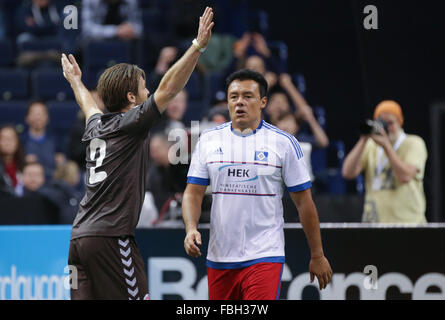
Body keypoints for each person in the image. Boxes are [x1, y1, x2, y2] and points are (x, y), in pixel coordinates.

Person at [62, 6, 214, 300]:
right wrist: (197, 46)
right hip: (110, 238)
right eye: (145, 88)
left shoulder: (96, 124)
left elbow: (88, 105)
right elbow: (169, 88)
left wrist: (75, 81)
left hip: (78, 239)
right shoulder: (131, 122)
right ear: (131, 98)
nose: (149, 92)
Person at [182, 69, 332, 300]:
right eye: (234, 97)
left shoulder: (284, 143)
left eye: (247, 96)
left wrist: (317, 255)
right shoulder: (208, 141)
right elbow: (193, 194)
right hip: (220, 257)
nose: (239, 102)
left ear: (263, 102)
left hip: (265, 254)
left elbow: (304, 203)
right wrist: (191, 228)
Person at [342, 100, 428, 223]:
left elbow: (406, 176)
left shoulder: (414, 143)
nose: (387, 128)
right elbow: (347, 173)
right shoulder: (371, 146)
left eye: (390, 123)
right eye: (382, 123)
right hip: (374, 222)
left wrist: (386, 146)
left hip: (408, 222)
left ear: (400, 122)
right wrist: (364, 139)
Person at [0, 125, 25, 195]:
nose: (7, 142)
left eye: (11, 138)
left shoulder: (25, 166)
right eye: (3, 138)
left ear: (17, 142)